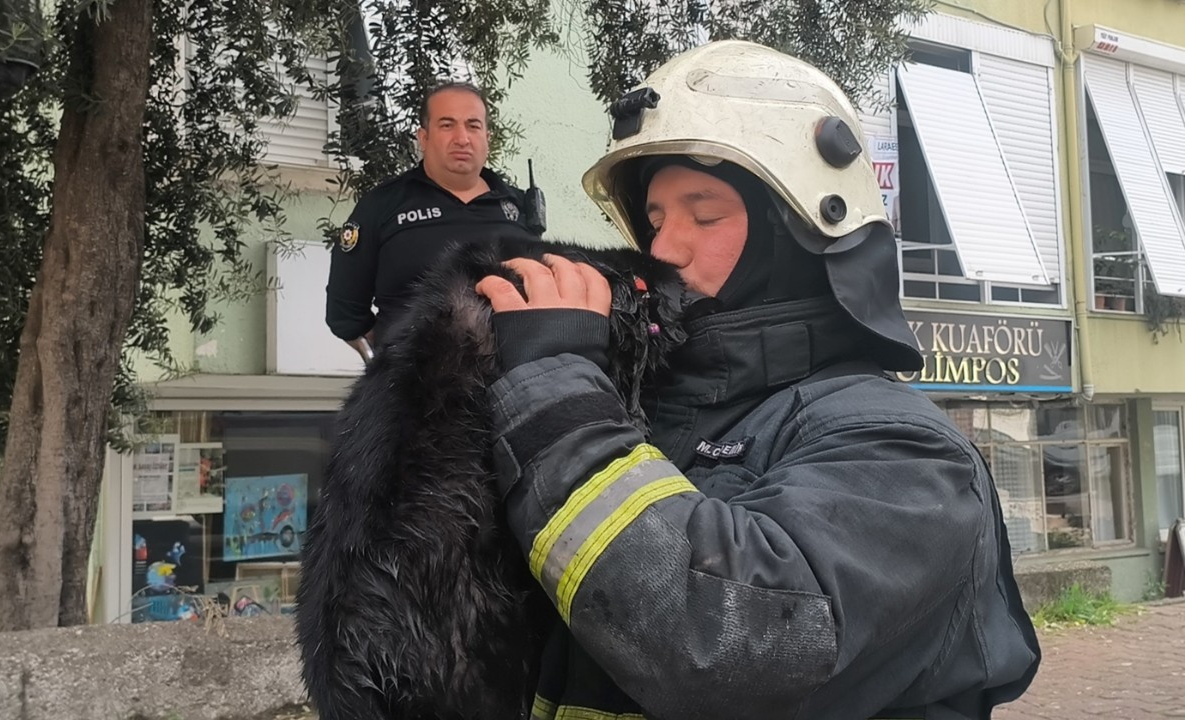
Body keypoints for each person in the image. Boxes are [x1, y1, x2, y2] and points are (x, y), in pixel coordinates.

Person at [474, 40, 1040, 720]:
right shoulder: (648, 418)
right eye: (655, 220)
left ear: (797, 231)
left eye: (705, 214)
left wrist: (555, 389)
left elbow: (725, 645)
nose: (663, 248)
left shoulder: (906, 452)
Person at [325, 81, 543, 360]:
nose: (462, 138)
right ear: (424, 137)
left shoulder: (518, 206)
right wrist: (385, 361)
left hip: (512, 372)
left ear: (487, 137)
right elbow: (345, 312)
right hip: (415, 376)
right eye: (447, 125)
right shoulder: (383, 205)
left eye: (473, 126)